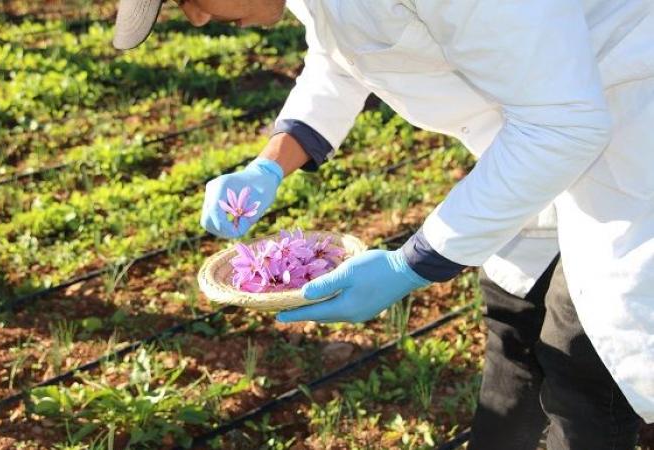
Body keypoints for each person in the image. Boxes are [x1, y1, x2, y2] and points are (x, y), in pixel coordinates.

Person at [112, 0, 654, 448]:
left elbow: (565, 122)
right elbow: (341, 54)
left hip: (627, 117)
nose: (198, 18)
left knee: (584, 361)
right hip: (537, 128)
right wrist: (271, 164)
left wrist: (409, 264)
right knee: (513, 317)